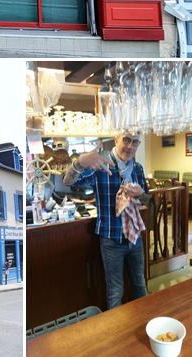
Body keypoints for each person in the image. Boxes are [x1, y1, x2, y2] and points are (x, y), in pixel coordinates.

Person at [63, 132, 149, 309]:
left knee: (140, 284)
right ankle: (115, 332)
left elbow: (147, 199)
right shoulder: (100, 165)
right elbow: (68, 182)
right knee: (115, 291)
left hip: (135, 237)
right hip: (111, 238)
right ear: (116, 139)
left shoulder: (138, 168)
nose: (130, 146)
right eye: (126, 140)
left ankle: (146, 322)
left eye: (135, 142)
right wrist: (79, 163)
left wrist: (141, 195)